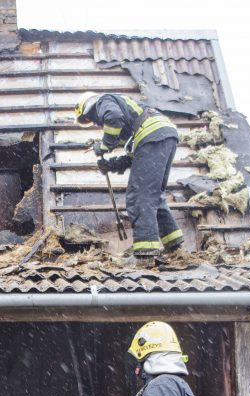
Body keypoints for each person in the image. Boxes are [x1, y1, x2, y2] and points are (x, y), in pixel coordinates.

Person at [74, 92, 181, 266]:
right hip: (163, 135)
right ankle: (174, 247)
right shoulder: (130, 123)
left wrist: (105, 145)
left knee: (139, 196)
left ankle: (145, 255)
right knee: (154, 196)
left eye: (89, 118)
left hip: (154, 136)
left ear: (89, 107)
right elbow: (135, 157)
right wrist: (110, 165)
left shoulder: (104, 101)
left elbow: (113, 117)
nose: (94, 122)